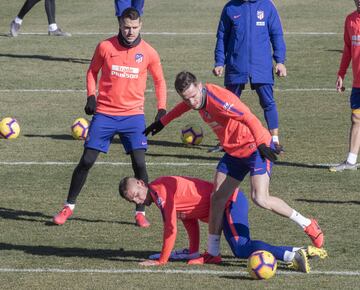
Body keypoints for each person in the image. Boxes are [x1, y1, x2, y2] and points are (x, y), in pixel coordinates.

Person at [144, 71, 324, 263]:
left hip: (255, 147)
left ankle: (308, 224)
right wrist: (163, 122)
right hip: (234, 152)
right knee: (217, 198)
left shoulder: (218, 98)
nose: (192, 103)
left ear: (200, 86)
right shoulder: (193, 100)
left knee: (260, 198)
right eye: (186, 99)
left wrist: (263, 143)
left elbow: (248, 117)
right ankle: (213, 253)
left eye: (193, 96)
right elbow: (182, 108)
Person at [52, 8, 167, 227]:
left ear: (140, 25)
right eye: (126, 27)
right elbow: (91, 71)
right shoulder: (105, 47)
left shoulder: (149, 52)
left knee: (139, 163)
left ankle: (140, 211)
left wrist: (161, 109)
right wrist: (91, 96)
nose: (130, 32)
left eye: (134, 27)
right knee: (86, 160)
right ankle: (68, 206)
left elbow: (160, 81)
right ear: (120, 25)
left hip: (133, 115)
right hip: (105, 113)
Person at [119, 175, 327, 272]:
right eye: (133, 201)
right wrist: (193, 252)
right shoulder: (157, 194)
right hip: (225, 207)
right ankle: (299, 250)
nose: (138, 201)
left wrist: (161, 260)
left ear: (141, 183)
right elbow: (189, 219)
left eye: (137, 195)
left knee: (241, 247)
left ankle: (292, 254)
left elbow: (171, 229)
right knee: (240, 247)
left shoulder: (160, 192)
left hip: (231, 202)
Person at [212, 0, 286, 154]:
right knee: (228, 105)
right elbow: (222, 37)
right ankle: (226, 140)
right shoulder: (230, 8)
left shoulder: (267, 6)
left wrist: (280, 61)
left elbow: (276, 34)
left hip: (261, 66)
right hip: (236, 65)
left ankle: (274, 140)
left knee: (268, 102)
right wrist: (219, 62)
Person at [329, 0, 360, 172]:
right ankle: (351, 161)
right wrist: (341, 74)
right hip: (358, 82)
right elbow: (348, 49)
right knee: (356, 119)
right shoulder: (350, 20)